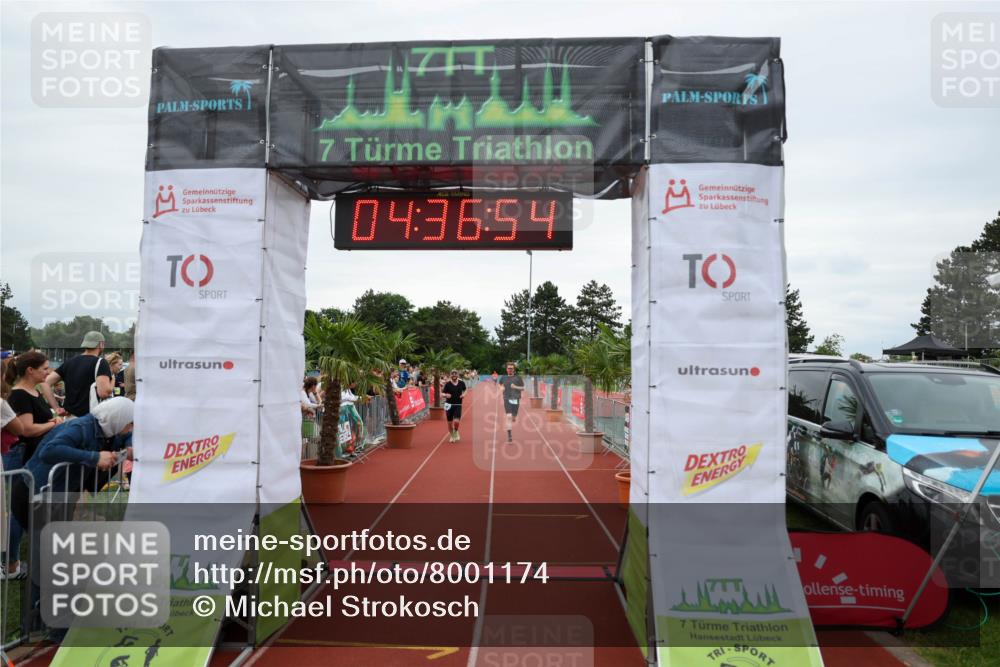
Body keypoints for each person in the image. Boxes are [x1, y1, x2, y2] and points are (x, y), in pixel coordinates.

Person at [42, 331, 113, 418]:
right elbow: (104, 393)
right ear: (101, 344)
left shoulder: (70, 362)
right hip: (89, 420)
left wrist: (56, 408)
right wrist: (112, 380)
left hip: (69, 419)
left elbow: (45, 382)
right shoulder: (101, 362)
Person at [498, 362, 525, 443]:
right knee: (509, 416)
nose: (510, 369)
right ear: (506, 369)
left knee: (513, 417)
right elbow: (500, 384)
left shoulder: (518, 378)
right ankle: (509, 435)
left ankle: (514, 416)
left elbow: (523, 388)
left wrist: (515, 387)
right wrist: (501, 387)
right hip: (506, 398)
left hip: (516, 399)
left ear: (514, 369)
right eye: (509, 368)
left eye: (511, 368)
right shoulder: (503, 377)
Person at [442, 369, 467, 443]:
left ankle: (455, 431)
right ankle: (452, 435)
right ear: (450, 375)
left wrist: (463, 395)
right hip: (449, 405)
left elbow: (465, 390)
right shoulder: (447, 384)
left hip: (458, 404)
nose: (454, 375)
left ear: (457, 375)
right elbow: (442, 393)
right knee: (449, 423)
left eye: (455, 374)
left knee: (456, 421)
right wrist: (446, 395)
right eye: (452, 374)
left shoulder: (461, 383)